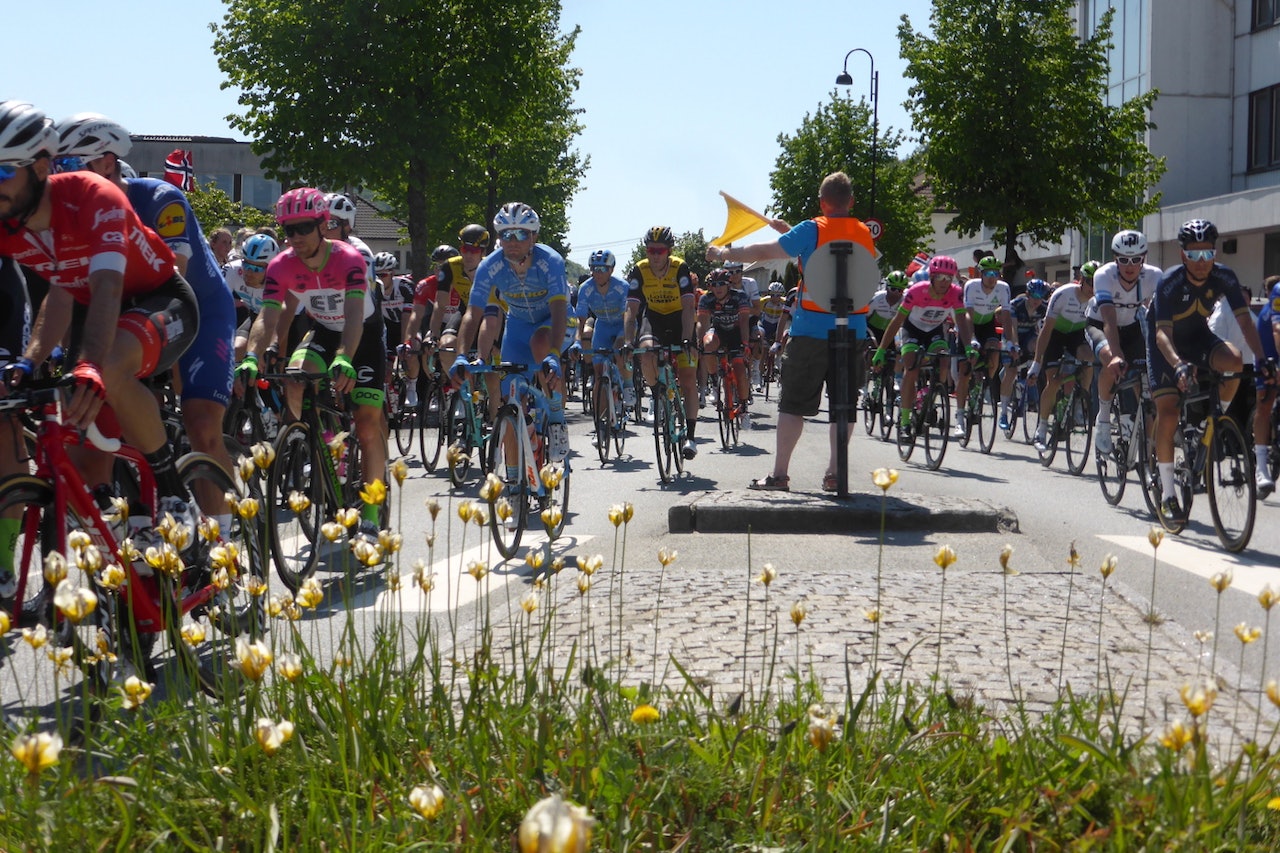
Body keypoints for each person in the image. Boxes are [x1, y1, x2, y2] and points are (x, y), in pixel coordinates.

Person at [0, 101, 201, 559]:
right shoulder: (9, 220)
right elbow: (62, 294)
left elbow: (106, 286)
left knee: (106, 366)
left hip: (158, 300)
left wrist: (88, 363)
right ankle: (123, 571)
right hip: (92, 310)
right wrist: (28, 361)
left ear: (40, 167)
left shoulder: (92, 195)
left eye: (2, 173)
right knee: (78, 452)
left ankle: (174, 490)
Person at [56, 112, 240, 535]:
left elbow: (168, 276)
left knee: (201, 424)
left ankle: (225, 540)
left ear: (107, 165)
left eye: (71, 168)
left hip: (197, 306)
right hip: (126, 309)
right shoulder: (72, 213)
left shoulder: (159, 198)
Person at [707, 171, 872, 492]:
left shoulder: (812, 229)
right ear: (851, 202)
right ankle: (836, 472)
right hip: (853, 331)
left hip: (811, 330)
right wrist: (793, 232)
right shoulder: (864, 232)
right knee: (844, 404)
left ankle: (780, 475)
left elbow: (763, 252)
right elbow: (831, 260)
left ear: (822, 203)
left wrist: (725, 253)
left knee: (793, 404)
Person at [238, 187, 386, 539]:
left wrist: (344, 358)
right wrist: (251, 357)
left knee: (366, 425)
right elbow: (269, 316)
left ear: (322, 225)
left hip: (362, 336)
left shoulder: (349, 258)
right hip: (324, 331)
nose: (296, 237)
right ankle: (311, 442)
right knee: (294, 378)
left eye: (304, 227)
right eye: (289, 230)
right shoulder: (281, 265)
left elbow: (353, 314)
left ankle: (370, 512)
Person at [1146, 219, 1268, 526]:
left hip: (1199, 337)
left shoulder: (1224, 276)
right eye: (1194, 254)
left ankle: (1214, 423)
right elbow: (1162, 335)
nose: (1202, 262)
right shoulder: (1170, 282)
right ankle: (1168, 494)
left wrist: (1265, 360)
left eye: (1208, 253)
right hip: (1166, 342)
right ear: (1183, 254)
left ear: (1215, 252)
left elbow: (1244, 323)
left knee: (1236, 360)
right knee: (1169, 411)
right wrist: (1177, 364)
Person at [453, 202, 570, 462]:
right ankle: (516, 485)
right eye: (506, 234)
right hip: (517, 326)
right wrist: (462, 355)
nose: (513, 241)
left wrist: (553, 353)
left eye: (521, 234)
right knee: (510, 401)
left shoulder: (550, 261)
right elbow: (474, 314)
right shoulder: (490, 266)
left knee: (541, 343)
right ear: (499, 237)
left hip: (553, 320)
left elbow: (560, 309)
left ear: (534, 237)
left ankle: (557, 419)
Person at [873, 255, 975, 443]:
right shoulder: (917, 291)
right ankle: (904, 422)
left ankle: (931, 394)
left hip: (934, 330)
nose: (945, 282)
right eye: (941, 277)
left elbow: (961, 319)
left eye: (949, 277)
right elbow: (897, 321)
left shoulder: (955, 293)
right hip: (912, 330)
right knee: (911, 367)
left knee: (944, 360)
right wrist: (881, 348)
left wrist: (969, 346)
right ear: (932, 277)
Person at [627, 226, 700, 459]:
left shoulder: (680, 268)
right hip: (655, 318)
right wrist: (629, 341)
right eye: (651, 250)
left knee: (688, 379)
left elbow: (689, 307)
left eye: (660, 250)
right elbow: (631, 309)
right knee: (645, 352)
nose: (655, 255)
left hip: (680, 320)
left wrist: (688, 338)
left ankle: (690, 435)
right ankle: (656, 395)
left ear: (669, 251)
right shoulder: (639, 270)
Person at [1087, 231, 1162, 454]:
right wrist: (1118, 354)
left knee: (1146, 385)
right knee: (1111, 360)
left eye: (1136, 259)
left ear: (1144, 258)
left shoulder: (1155, 276)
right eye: (1123, 260)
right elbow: (1109, 318)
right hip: (1099, 324)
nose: (1130, 265)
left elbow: (1162, 318)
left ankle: (1150, 452)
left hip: (1132, 328)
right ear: (1114, 258)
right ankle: (1103, 418)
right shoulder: (1104, 275)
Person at [1027, 262, 1097, 453]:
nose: (1094, 288)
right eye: (1091, 282)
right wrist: (1036, 363)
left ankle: (1080, 402)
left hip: (1076, 334)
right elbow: (1046, 329)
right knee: (1054, 381)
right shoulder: (1063, 294)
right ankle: (1041, 429)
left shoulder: (1098, 298)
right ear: (1081, 281)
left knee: (1089, 359)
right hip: (1055, 335)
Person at [575, 249, 633, 429]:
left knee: (618, 349)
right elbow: (581, 318)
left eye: (602, 268)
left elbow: (628, 314)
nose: (597, 273)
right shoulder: (585, 288)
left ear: (611, 270)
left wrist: (626, 339)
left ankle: (629, 385)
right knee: (598, 374)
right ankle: (601, 422)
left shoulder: (622, 286)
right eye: (594, 268)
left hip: (621, 324)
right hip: (603, 326)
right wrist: (577, 341)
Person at [961, 255, 1017, 437]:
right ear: (981, 274)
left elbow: (1007, 316)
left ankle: (984, 383)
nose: (992, 277)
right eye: (988, 273)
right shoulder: (971, 286)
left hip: (987, 324)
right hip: (968, 324)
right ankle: (960, 416)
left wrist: (1010, 341)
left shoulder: (1003, 288)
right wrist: (972, 339)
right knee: (966, 369)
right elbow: (968, 315)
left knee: (994, 350)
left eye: (995, 273)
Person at [697, 267, 754, 429]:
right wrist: (698, 343)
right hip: (719, 332)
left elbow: (744, 322)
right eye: (714, 284)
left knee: (739, 368)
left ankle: (743, 408)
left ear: (729, 285)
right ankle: (715, 381)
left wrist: (746, 344)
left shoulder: (740, 297)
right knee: (707, 344)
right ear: (710, 287)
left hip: (737, 333)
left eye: (722, 284)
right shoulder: (705, 299)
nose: (718, 288)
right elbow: (702, 323)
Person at [1253, 274, 1280, 497]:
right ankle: (1261, 468)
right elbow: (1277, 330)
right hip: (1270, 342)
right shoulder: (1279, 291)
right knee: (1265, 401)